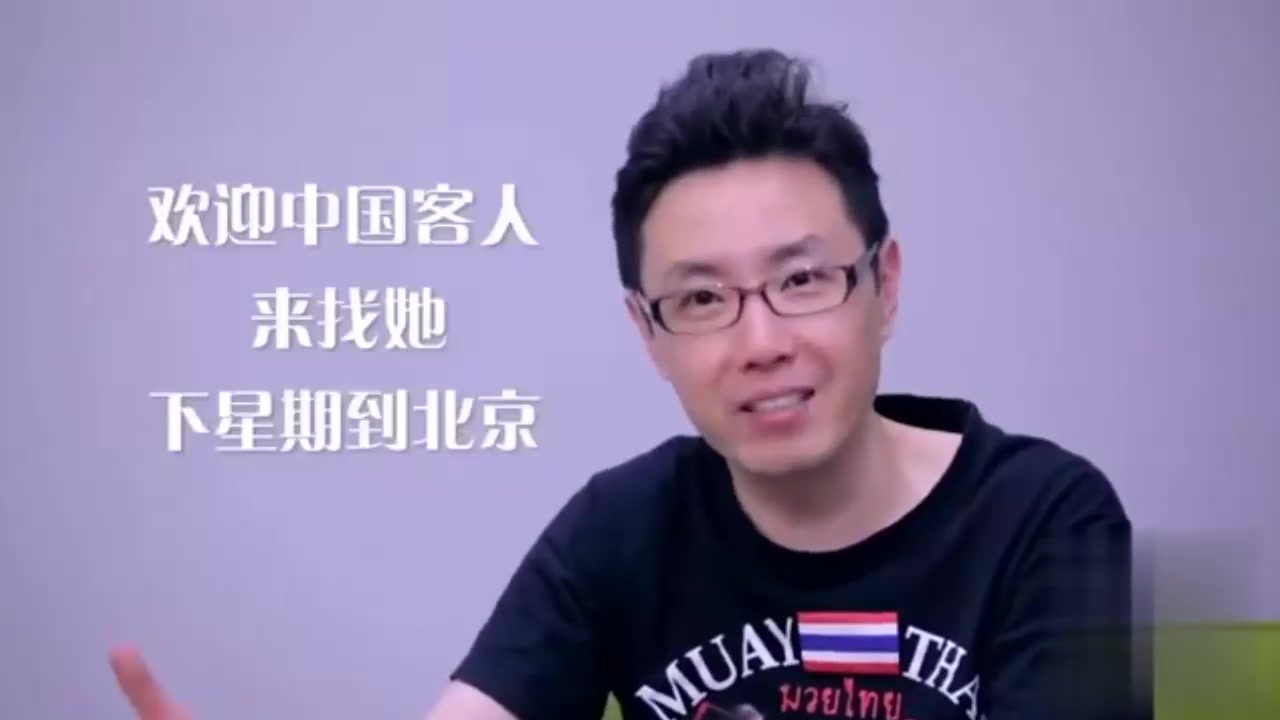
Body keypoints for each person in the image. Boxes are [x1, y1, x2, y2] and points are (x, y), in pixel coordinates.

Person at [110, 49, 1143, 720]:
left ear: (886, 286)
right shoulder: (626, 528)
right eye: (701, 299)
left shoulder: (1044, 519)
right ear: (647, 334)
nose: (760, 341)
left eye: (800, 280)